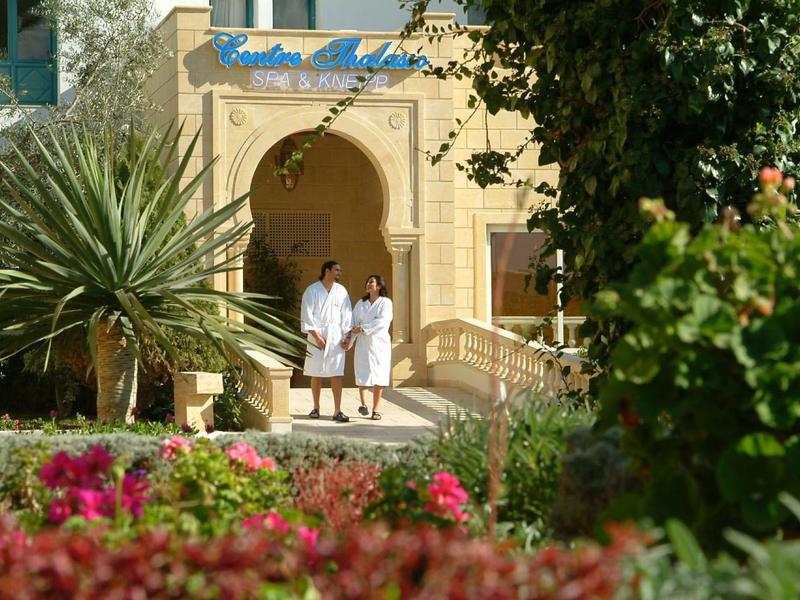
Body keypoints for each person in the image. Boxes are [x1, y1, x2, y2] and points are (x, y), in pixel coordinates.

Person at [300, 260, 352, 422]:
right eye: (337, 270)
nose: (339, 273)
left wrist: (347, 337)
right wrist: (317, 337)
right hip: (316, 334)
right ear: (327, 270)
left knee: (336, 373)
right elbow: (307, 315)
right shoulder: (312, 290)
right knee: (316, 373)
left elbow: (347, 315)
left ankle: (337, 410)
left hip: (336, 336)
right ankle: (316, 408)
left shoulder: (341, 291)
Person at [345, 275, 393, 420]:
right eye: (367, 282)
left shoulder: (385, 303)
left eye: (371, 282)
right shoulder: (361, 303)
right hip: (363, 343)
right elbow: (352, 322)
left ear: (379, 286)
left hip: (379, 343)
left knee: (379, 374)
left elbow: (383, 321)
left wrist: (363, 328)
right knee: (363, 372)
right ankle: (364, 404)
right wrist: (348, 340)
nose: (368, 284)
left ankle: (376, 409)